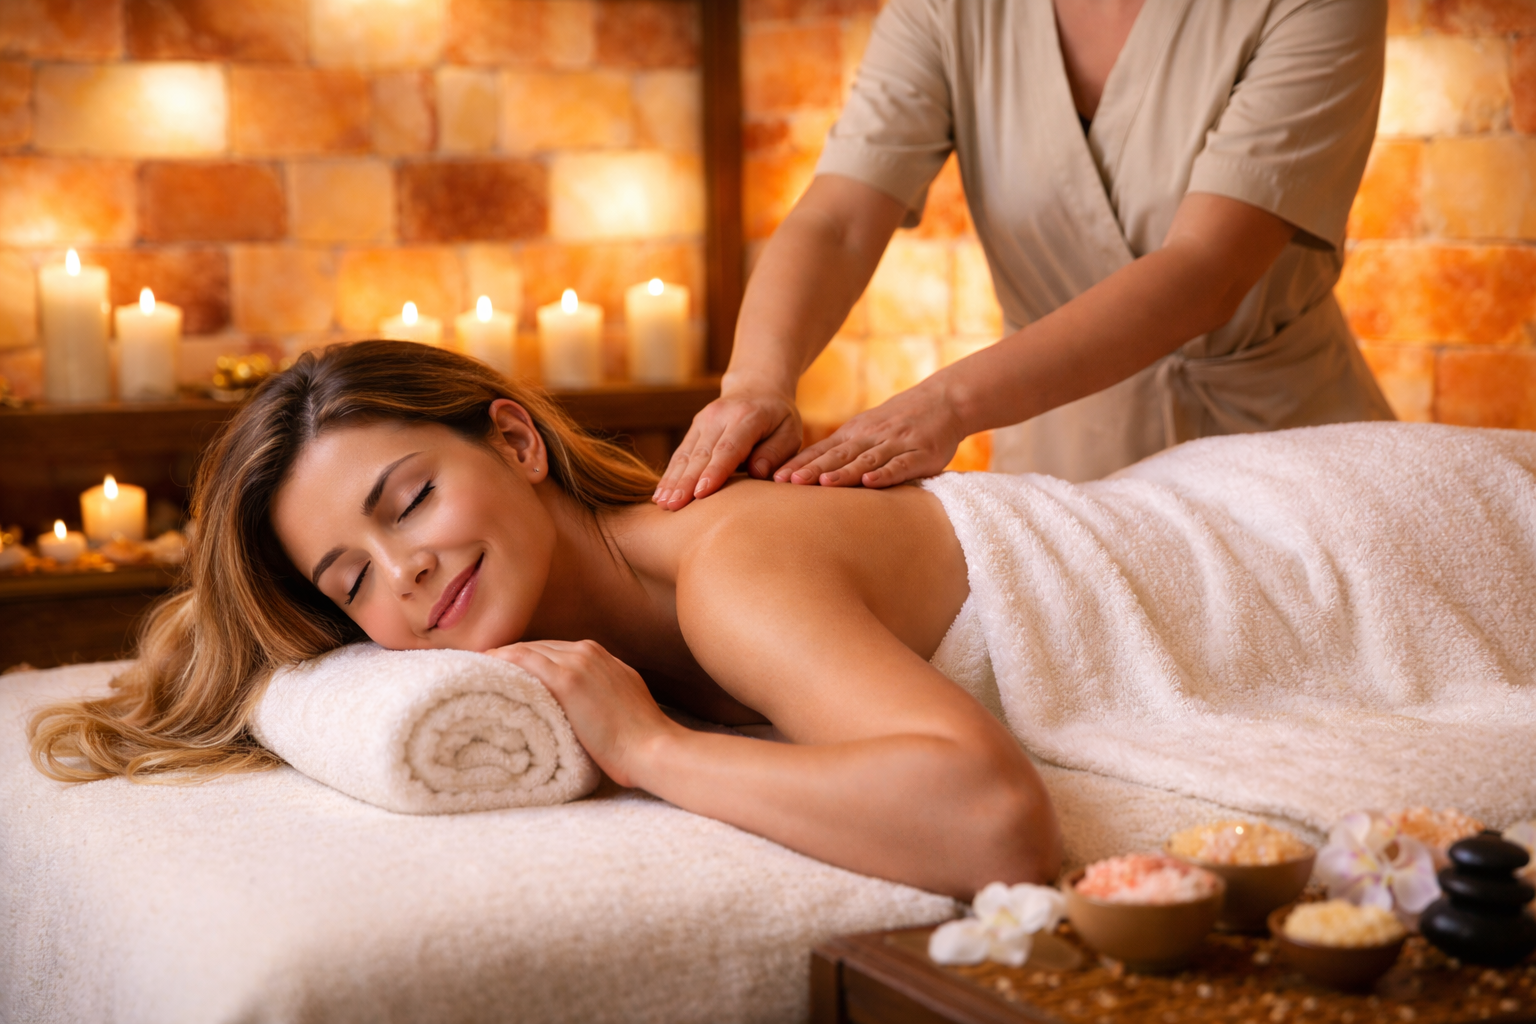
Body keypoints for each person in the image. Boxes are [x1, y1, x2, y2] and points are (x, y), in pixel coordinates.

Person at [31, 344, 1536, 899]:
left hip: (1348, 543)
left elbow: (988, 819)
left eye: (408, 500)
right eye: (349, 581)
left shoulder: (731, 565)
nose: (401, 578)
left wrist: (648, 745)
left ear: (518, 437)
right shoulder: (633, 595)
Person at [653, 0, 1394, 509]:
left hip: (1290, 458)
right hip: (1064, 475)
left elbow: (1206, 271)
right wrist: (755, 381)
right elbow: (840, 219)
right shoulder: (949, 10)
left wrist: (944, 405)